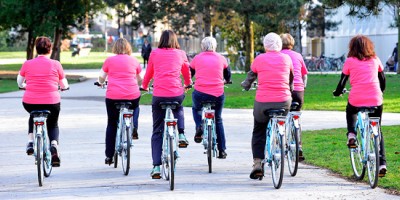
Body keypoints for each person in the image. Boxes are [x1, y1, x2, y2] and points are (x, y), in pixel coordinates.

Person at [241, 32, 293, 179]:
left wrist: (245, 85)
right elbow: (291, 79)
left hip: (263, 103)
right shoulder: (286, 58)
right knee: (281, 120)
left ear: (265, 45)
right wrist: (290, 90)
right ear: (280, 45)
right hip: (283, 101)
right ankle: (280, 140)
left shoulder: (259, 59)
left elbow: (250, 76)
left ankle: (257, 163)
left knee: (259, 129)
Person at [333, 35, 387, 176]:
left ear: (352, 47)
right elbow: (382, 78)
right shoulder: (375, 60)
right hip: (376, 98)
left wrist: (337, 92)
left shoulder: (350, 61)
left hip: (356, 98)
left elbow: (342, 81)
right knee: (378, 129)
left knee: (351, 110)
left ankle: (351, 134)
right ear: (369, 46)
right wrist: (381, 91)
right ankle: (382, 164)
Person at [141, 30, 192, 179]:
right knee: (178, 106)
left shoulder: (155, 53)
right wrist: (188, 83)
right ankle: (181, 134)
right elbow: (187, 71)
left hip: (159, 95)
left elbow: (149, 73)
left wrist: (144, 86)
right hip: (176, 92)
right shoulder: (181, 53)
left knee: (157, 130)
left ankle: (156, 166)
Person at [17, 36, 69, 167]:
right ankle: (54, 146)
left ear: (36, 49)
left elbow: (19, 81)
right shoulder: (56, 64)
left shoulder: (27, 64)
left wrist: (24, 86)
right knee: (53, 124)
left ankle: (30, 142)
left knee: (33, 114)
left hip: (29, 101)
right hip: (52, 102)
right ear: (50, 49)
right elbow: (63, 84)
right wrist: (64, 88)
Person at [97, 38, 142, 165]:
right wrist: (141, 84)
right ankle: (134, 126)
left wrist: (100, 83)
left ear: (115, 48)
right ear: (128, 48)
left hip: (113, 96)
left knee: (112, 123)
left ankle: (109, 155)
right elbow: (139, 79)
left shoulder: (109, 60)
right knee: (136, 107)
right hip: (132, 95)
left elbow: (102, 77)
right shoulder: (134, 61)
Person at [190, 36, 231, 159]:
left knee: (196, 108)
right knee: (218, 119)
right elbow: (227, 74)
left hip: (200, 92)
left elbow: (190, 73)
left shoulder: (197, 58)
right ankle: (222, 150)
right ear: (215, 46)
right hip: (217, 93)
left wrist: (189, 83)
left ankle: (199, 126)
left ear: (202, 47)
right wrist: (227, 80)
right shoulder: (221, 58)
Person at [280, 33, 308, 161]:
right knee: (296, 116)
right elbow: (304, 75)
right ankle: (299, 144)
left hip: (284, 90)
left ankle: (281, 139)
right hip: (298, 91)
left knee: (281, 116)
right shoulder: (298, 56)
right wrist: (303, 87)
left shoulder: (279, 56)